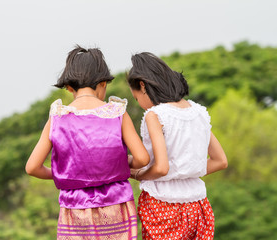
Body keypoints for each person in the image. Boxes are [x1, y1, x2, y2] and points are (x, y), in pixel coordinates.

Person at [25, 46, 150, 239]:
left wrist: (66, 173)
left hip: (74, 210)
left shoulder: (58, 117)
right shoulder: (117, 113)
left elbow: (32, 167)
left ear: (68, 87)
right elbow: (142, 159)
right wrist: (113, 165)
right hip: (116, 206)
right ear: (102, 83)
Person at [127, 52, 228, 240]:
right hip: (198, 206)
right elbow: (220, 161)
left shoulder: (155, 115)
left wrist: (138, 175)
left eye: (136, 98)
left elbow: (162, 168)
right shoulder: (197, 112)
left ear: (142, 85)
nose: (140, 104)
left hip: (163, 205)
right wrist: (186, 170)